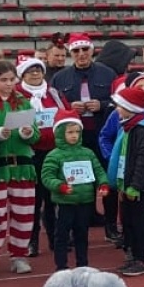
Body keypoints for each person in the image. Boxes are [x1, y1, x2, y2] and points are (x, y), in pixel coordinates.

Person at [50, 33, 119, 241]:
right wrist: (69, 109)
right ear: (71, 53)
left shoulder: (108, 74)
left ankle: (111, 225)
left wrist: (103, 104)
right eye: (76, 51)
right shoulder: (60, 77)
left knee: (107, 179)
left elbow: (119, 101)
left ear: (92, 50)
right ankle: (74, 228)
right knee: (75, 180)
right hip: (74, 138)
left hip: (102, 134)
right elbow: (53, 105)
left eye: (85, 50)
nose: (81, 55)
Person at [0, 60, 38, 275]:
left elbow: (36, 133)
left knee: (24, 213)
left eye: (11, 80)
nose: (8, 84)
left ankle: (19, 255)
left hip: (22, 167)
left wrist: (28, 133)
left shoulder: (24, 102)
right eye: (3, 80)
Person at [40, 110, 107, 272]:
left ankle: (82, 264)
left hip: (85, 201)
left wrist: (103, 184)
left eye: (77, 132)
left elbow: (98, 170)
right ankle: (61, 265)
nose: (74, 136)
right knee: (61, 235)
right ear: (60, 133)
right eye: (70, 132)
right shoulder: (54, 156)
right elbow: (47, 176)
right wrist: (60, 186)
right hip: (65, 202)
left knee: (82, 234)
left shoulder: (88, 153)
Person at [19, 55, 68, 258]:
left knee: (52, 198)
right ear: (23, 74)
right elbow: (14, 125)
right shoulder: (18, 96)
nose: (36, 74)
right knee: (33, 199)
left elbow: (65, 114)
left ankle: (55, 239)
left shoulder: (53, 93)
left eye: (38, 70)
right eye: (31, 71)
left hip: (53, 153)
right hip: (30, 153)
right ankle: (32, 241)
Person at [108, 84, 144, 277]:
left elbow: (142, 161)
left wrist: (135, 186)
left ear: (131, 107)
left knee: (139, 223)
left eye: (120, 105)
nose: (117, 109)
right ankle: (132, 256)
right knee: (128, 222)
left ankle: (141, 259)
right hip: (126, 184)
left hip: (138, 187)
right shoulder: (127, 129)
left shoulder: (142, 131)